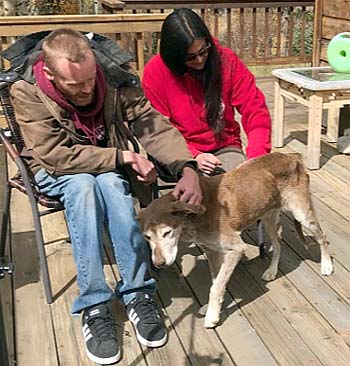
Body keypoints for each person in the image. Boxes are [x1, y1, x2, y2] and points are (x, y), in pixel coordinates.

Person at [7, 28, 202, 365]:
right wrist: (123, 157)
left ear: (94, 62)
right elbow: (55, 155)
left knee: (109, 185)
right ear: (50, 74)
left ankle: (137, 291)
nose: (86, 90)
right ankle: (95, 304)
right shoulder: (26, 89)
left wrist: (186, 166)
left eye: (89, 79)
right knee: (83, 186)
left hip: (104, 167)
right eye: (75, 85)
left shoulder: (111, 75)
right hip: (54, 168)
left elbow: (148, 121)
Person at [142, 8, 272, 175]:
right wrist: (194, 155)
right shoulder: (155, 72)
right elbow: (159, 129)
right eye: (190, 57)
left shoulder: (226, 60)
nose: (200, 60)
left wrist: (256, 157)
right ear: (174, 57)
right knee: (199, 188)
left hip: (224, 146)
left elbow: (255, 110)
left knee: (242, 184)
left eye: (203, 51)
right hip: (178, 150)